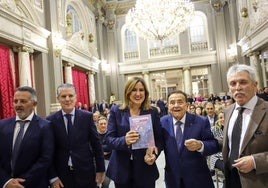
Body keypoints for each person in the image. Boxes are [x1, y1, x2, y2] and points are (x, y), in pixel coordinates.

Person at [105, 77, 163, 188]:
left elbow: (159, 139)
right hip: (121, 170)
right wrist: (124, 140)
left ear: (145, 93)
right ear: (127, 92)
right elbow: (108, 140)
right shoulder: (116, 111)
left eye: (141, 90)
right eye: (134, 90)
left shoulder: (152, 111)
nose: (138, 93)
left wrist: (154, 154)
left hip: (145, 168)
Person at [47, 83, 105, 188]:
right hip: (61, 176)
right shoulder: (50, 120)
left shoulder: (86, 117)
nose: (67, 99)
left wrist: (100, 169)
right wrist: (53, 177)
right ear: (58, 99)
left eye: (70, 95)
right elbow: (48, 151)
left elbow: (97, 145)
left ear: (75, 97)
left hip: (86, 172)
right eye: (63, 96)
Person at [161, 90, 219, 188]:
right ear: (168, 106)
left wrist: (200, 145)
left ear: (187, 105)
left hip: (198, 178)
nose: (176, 105)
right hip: (173, 179)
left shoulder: (201, 121)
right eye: (172, 102)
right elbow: (158, 144)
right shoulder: (162, 122)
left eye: (180, 102)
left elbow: (214, 145)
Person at [222, 64, 268, 188]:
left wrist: (255, 162)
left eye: (243, 82)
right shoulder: (228, 111)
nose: (238, 88)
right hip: (231, 180)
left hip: (259, 181)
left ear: (255, 85)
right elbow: (231, 143)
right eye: (233, 83)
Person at [0, 86, 54, 188]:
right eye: (15, 101)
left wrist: (21, 183)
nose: (18, 105)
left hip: (33, 184)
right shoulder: (2, 125)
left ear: (34, 104)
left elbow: (45, 158)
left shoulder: (45, 126)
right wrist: (6, 181)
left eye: (23, 101)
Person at [96, 116, 111, 188]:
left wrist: (99, 149)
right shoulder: (94, 134)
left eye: (105, 123)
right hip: (96, 162)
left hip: (108, 161)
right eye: (101, 124)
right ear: (97, 125)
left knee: (105, 184)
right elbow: (92, 147)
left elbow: (111, 146)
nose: (103, 125)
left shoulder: (110, 134)